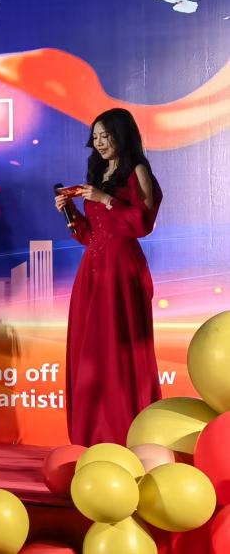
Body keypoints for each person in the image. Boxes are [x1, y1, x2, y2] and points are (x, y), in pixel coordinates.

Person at [55, 107, 162, 446]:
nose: (99, 142)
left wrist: (105, 199)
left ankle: (127, 431)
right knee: (91, 351)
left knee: (119, 348)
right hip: (93, 269)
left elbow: (142, 223)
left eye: (106, 135)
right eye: (96, 137)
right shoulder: (99, 172)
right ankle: (93, 434)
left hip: (122, 269)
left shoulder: (138, 170)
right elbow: (91, 235)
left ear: (121, 135)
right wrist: (71, 212)